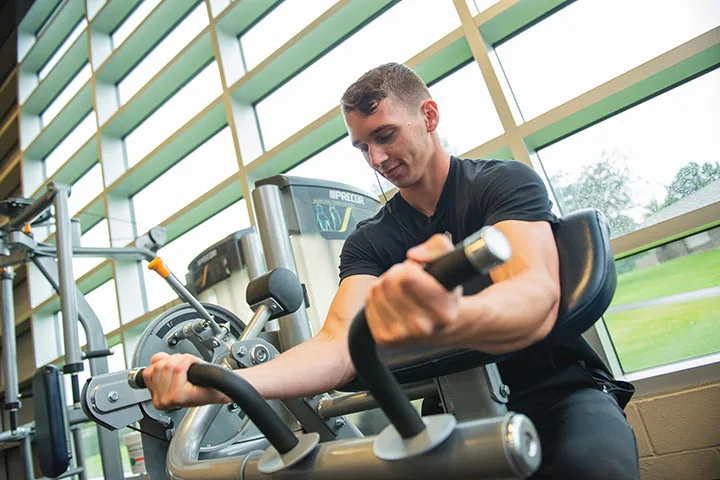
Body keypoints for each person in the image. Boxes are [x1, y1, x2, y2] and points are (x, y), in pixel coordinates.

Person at [142, 63, 639, 479]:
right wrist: (212, 383)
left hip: (558, 391)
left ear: (428, 115)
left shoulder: (500, 184)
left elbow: (536, 297)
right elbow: (336, 348)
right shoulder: (371, 240)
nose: (376, 159)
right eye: (362, 147)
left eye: (384, 136)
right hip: (447, 406)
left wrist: (452, 316)